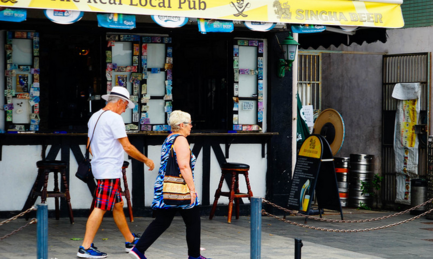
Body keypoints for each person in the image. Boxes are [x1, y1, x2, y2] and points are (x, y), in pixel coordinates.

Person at [77, 87, 155, 258]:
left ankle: (130, 240)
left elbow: (89, 145)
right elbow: (127, 146)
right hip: (109, 170)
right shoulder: (114, 119)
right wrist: (146, 160)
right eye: (126, 105)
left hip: (101, 167)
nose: (125, 109)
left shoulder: (95, 116)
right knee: (101, 206)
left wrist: (101, 157)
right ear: (120, 101)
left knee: (117, 204)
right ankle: (85, 246)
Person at [129, 110, 210, 259]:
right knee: (192, 221)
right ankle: (194, 256)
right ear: (181, 125)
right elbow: (184, 166)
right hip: (179, 187)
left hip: (166, 187)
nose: (191, 126)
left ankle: (139, 249)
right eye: (189, 123)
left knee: (163, 221)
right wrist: (192, 189)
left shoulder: (169, 138)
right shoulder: (180, 140)